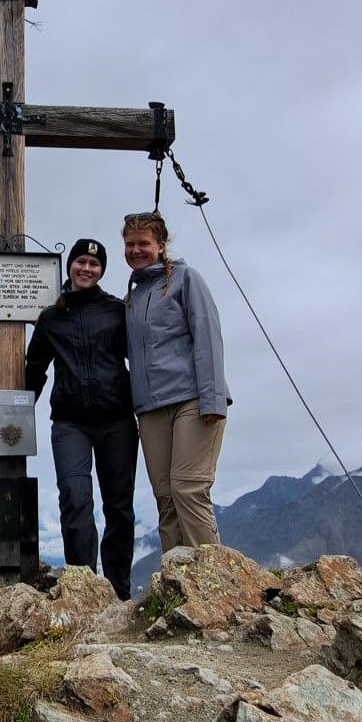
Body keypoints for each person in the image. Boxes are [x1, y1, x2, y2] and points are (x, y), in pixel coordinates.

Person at [25, 237, 138, 600]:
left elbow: (139, 358)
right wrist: (18, 411)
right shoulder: (51, 317)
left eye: (94, 263)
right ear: (70, 266)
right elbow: (35, 368)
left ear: (102, 270)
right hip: (70, 422)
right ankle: (83, 589)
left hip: (117, 420)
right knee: (75, 498)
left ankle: (119, 591)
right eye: (81, 262)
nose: (86, 269)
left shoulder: (116, 310)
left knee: (118, 504)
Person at [122, 211, 229, 553]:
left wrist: (212, 401)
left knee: (189, 489)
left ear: (161, 245)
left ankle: (213, 586)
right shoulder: (133, 298)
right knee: (166, 498)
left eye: (143, 243)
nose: (136, 250)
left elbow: (208, 337)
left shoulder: (186, 279)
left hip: (192, 400)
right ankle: (175, 584)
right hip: (150, 409)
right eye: (129, 244)